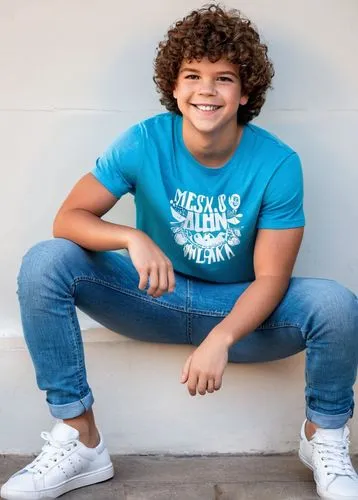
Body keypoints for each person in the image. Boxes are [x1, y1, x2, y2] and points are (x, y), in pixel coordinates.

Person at [2, 3, 358, 499]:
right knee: (46, 261)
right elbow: (69, 219)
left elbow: (272, 279)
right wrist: (132, 237)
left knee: (337, 305)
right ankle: (80, 439)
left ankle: (324, 436)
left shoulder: (278, 163)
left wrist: (222, 338)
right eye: (192, 75)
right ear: (174, 86)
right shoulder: (144, 141)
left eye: (224, 78)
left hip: (240, 309)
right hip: (152, 297)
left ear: (245, 92)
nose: (206, 90)